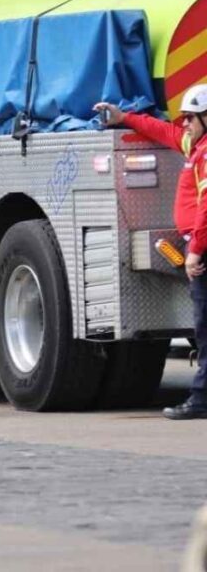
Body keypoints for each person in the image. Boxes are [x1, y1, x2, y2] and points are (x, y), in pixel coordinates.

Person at [97, 85, 207, 420]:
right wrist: (125, 118)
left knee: (205, 329)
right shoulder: (195, 145)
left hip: (203, 250)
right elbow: (165, 131)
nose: (184, 123)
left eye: (191, 118)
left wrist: (196, 251)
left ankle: (202, 400)